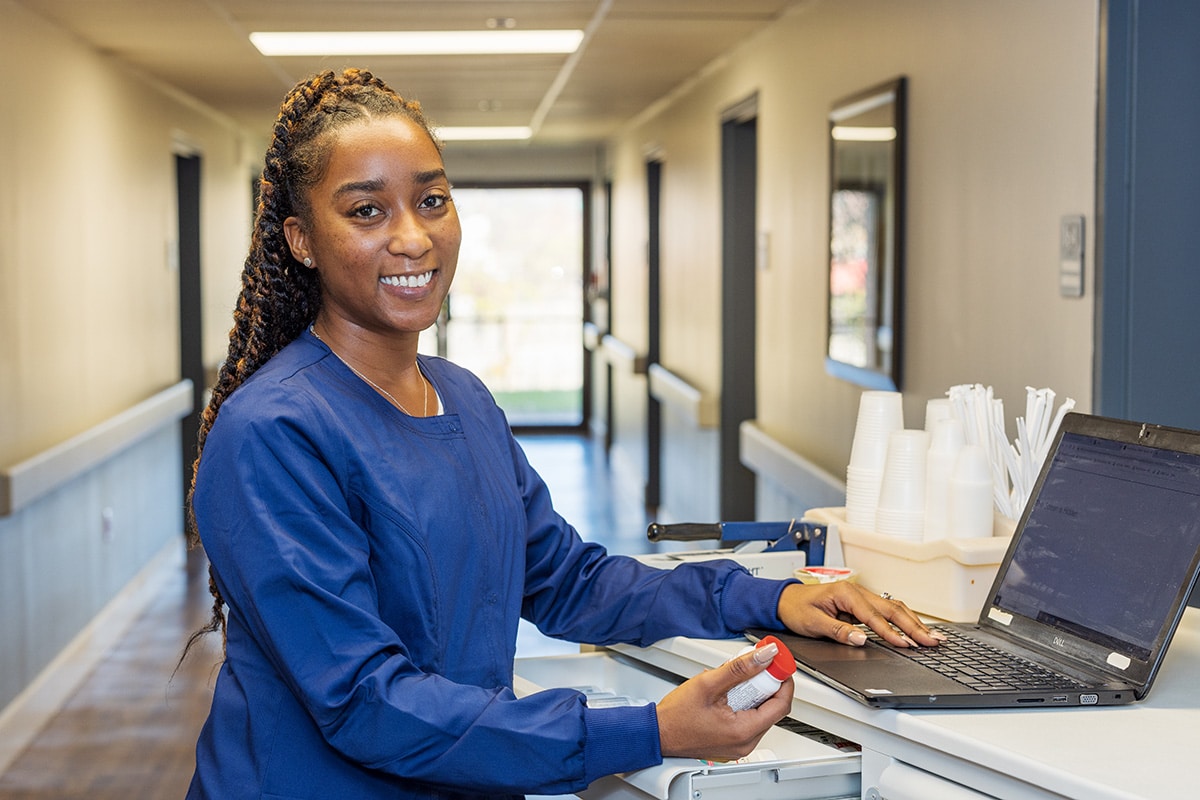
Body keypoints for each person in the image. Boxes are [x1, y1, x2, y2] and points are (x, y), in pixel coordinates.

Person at [182, 67, 941, 800]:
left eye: (432, 200)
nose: (413, 238)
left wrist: (767, 598)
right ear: (301, 239)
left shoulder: (464, 401)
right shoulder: (273, 434)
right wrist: (649, 731)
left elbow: (569, 582)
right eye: (366, 211)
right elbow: (364, 701)